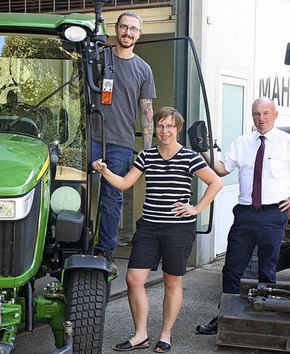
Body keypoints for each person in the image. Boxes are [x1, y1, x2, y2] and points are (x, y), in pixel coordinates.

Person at [93, 107, 222, 353]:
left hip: (178, 230)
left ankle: (165, 334)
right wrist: (105, 171)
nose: (164, 131)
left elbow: (216, 182)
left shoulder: (189, 157)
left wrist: (196, 208)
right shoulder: (146, 156)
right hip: (149, 227)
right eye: (160, 126)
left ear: (178, 129)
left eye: (169, 126)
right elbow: (124, 183)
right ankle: (140, 335)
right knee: (133, 279)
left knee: (172, 282)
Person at [195, 97, 290, 335]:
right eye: (256, 114)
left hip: (274, 214)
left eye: (265, 113)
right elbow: (222, 168)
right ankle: (225, 316)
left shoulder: (289, 143)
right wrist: (205, 150)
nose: (261, 119)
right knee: (231, 269)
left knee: (267, 270)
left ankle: (265, 321)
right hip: (244, 214)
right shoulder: (242, 142)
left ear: (275, 114)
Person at [91, 11, 156, 274]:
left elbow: (147, 111)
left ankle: (105, 250)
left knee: (112, 197)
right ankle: (73, 245)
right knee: (75, 192)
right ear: (116, 29)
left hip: (121, 143)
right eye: (124, 27)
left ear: (139, 34)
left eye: (133, 29)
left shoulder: (143, 69)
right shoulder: (99, 58)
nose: (128, 33)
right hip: (91, 137)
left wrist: (149, 152)